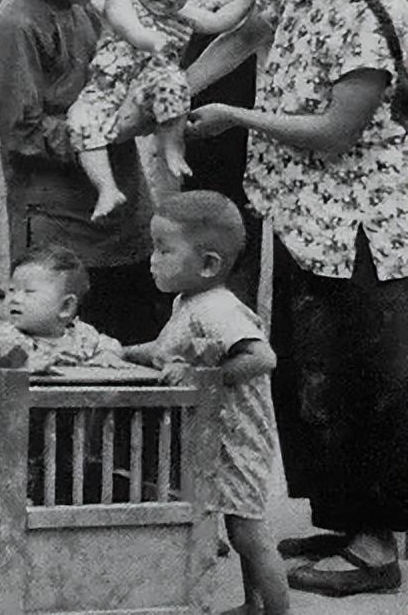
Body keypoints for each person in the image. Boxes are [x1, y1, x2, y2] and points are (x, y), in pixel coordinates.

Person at [186, 0, 408, 598]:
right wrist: (173, 90)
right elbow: (244, 36)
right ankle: (344, 521)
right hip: (307, 214)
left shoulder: (368, 7)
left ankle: (376, 549)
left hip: (366, 226)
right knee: (313, 377)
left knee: (365, 380)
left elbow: (338, 131)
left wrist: (233, 116)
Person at [0, 0, 167, 345]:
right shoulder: (14, 25)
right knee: (70, 370)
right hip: (62, 228)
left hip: (124, 220)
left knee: (131, 357)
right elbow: (23, 133)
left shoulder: (86, 10)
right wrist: (116, 127)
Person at [122, 192, 288, 615]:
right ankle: (254, 606)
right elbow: (166, 350)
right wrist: (122, 352)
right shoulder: (188, 302)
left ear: (209, 265)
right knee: (238, 527)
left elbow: (262, 357)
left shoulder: (217, 307)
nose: (152, 259)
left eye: (164, 250)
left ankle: (278, 611)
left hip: (241, 437)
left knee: (248, 531)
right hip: (218, 437)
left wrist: (203, 379)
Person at [66, 0, 254, 218]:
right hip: (107, 88)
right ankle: (106, 188)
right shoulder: (121, 0)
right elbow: (127, 25)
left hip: (150, 85)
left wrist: (251, 0)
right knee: (80, 119)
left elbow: (218, 22)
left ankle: (172, 146)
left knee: (175, 81)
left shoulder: (182, 13)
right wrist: (150, 40)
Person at [0, 243, 126, 371]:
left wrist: (108, 356)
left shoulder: (84, 336)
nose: (15, 299)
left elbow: (112, 346)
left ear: (66, 306)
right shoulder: (8, 334)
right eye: (11, 290)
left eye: (29, 292)